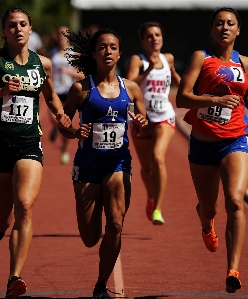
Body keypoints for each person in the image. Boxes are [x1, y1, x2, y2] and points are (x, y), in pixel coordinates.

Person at [0, 7, 71, 299]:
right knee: (2, 219)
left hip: (28, 145)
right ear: (4, 32)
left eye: (23, 24)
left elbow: (51, 97)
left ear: (31, 28)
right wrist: (0, 93)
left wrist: (61, 115)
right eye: (12, 25)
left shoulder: (42, 64)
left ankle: (14, 277)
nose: (18, 29)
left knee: (24, 204)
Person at [176, 7, 248, 293]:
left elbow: (246, 95)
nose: (224, 27)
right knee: (209, 207)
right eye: (219, 23)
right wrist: (213, 101)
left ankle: (233, 269)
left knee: (235, 201)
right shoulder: (202, 57)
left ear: (238, 30)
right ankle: (206, 221)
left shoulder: (245, 63)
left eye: (230, 23)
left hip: (235, 139)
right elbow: (182, 98)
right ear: (211, 30)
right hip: (202, 143)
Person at [59, 29, 150, 299]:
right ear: (93, 53)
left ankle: (101, 285)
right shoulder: (81, 89)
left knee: (116, 225)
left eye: (113, 47)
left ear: (119, 53)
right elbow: (64, 124)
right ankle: (98, 264)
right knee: (90, 237)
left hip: (118, 163)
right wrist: (74, 132)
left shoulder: (130, 89)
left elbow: (144, 122)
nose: (107, 51)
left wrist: (144, 124)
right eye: (102, 47)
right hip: (87, 165)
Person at [126, 22, 181, 225]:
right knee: (146, 168)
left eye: (157, 35)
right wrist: (148, 68)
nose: (154, 39)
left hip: (164, 115)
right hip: (141, 118)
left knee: (158, 158)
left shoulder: (168, 59)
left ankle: (157, 208)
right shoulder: (137, 60)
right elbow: (131, 84)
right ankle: (150, 197)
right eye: (149, 36)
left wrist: (190, 91)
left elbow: (175, 79)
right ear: (143, 41)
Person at [49, 25, 84, 164]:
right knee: (54, 118)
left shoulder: (74, 53)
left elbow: (81, 75)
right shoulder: (52, 52)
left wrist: (68, 72)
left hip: (69, 92)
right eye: (59, 34)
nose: (62, 37)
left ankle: (65, 149)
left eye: (65, 34)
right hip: (55, 91)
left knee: (66, 122)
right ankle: (56, 129)